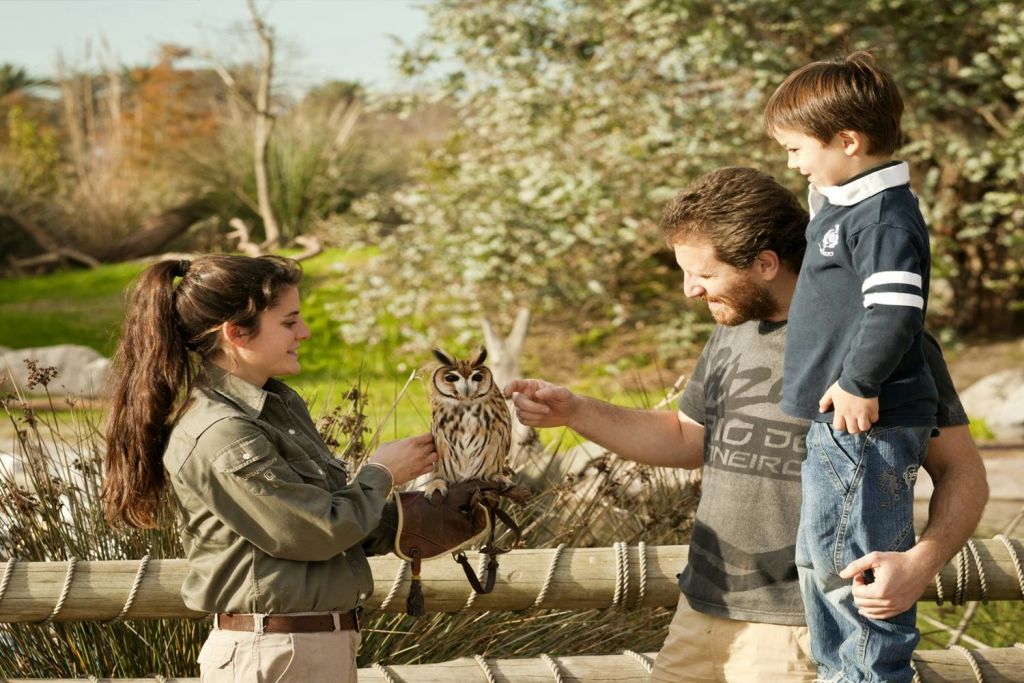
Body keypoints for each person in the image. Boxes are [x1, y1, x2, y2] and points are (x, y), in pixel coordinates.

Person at [505, 167, 988, 682]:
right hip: (700, 614)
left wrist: (922, 563)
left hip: (804, 629)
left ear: (765, 263)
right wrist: (575, 411)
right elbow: (687, 438)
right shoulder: (732, 331)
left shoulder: (884, 346)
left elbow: (963, 473)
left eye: (705, 275)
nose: (691, 290)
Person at [102, 255, 438, 682]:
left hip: (304, 650)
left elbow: (339, 523)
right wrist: (382, 472)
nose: (305, 333)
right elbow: (313, 531)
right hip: (275, 656)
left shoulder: (279, 406)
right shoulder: (220, 431)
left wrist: (437, 511)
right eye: (289, 322)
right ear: (235, 333)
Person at [765, 52, 937, 681]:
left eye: (795, 148)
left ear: (849, 141)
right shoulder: (842, 205)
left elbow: (894, 312)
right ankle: (841, 672)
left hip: (863, 423)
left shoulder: (885, 218)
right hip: (834, 425)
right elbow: (820, 188)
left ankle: (867, 675)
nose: (792, 162)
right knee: (820, 559)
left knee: (852, 566)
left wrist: (861, 382)